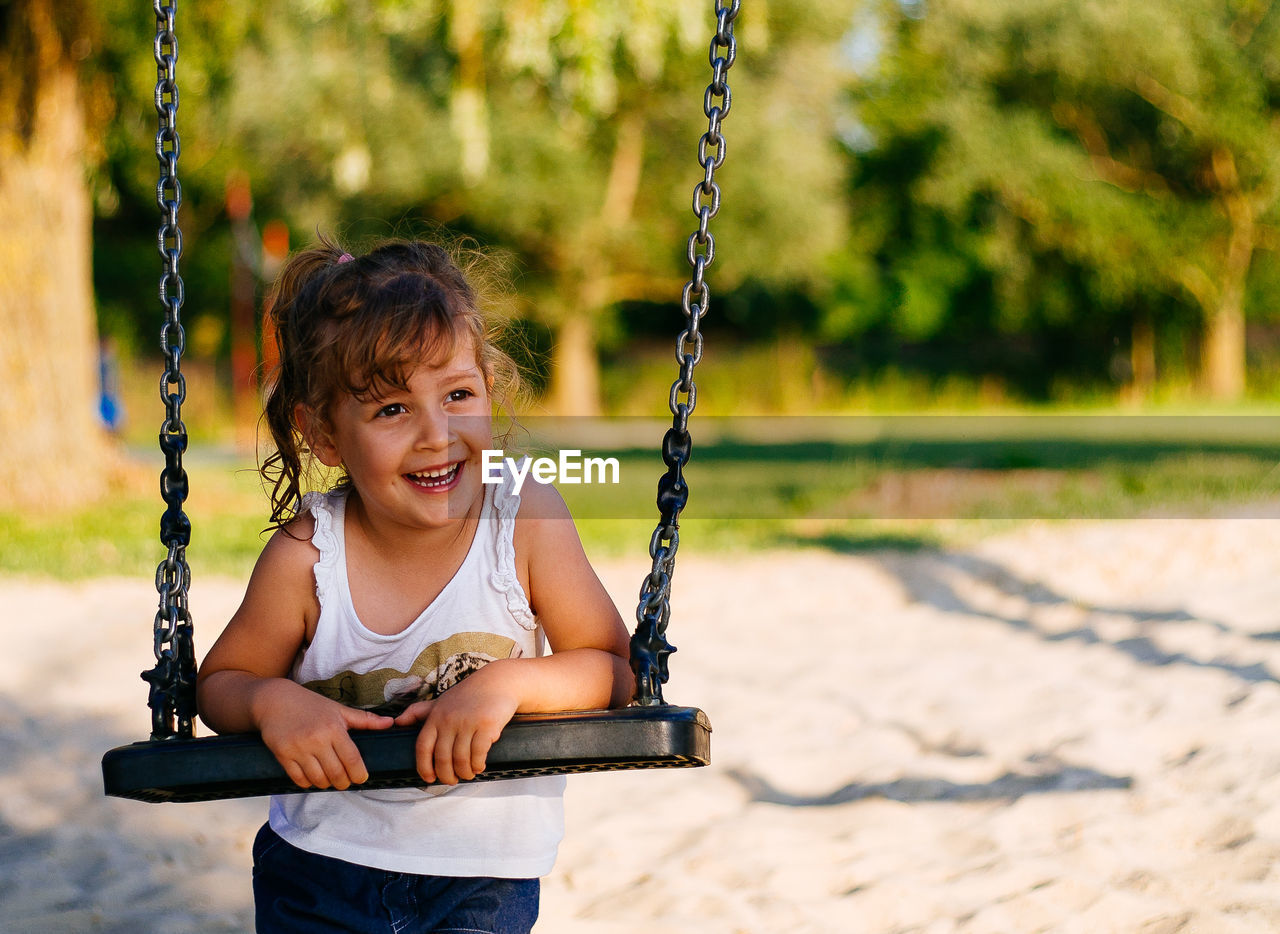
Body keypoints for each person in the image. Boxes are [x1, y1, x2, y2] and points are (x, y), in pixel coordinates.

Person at [196, 237, 633, 934]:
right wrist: (273, 700)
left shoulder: (524, 521)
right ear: (325, 435)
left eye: (457, 394)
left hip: (481, 876)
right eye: (392, 410)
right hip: (318, 867)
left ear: (490, 390)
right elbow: (222, 682)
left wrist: (507, 687)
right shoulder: (309, 556)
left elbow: (612, 670)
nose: (437, 434)